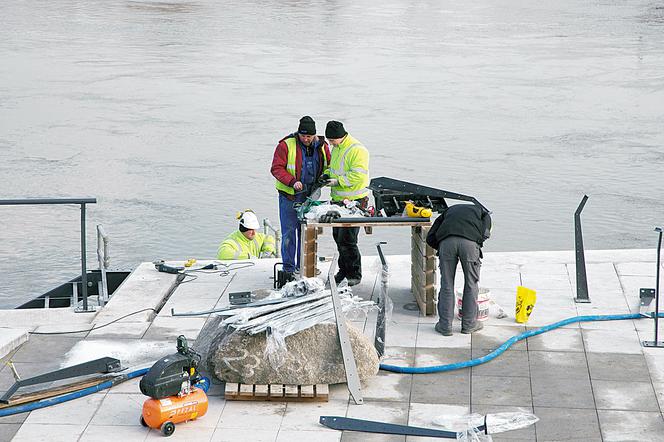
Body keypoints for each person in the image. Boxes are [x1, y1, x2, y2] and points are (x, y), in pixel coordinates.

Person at [270, 116, 331, 279]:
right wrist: (292, 181)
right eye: (303, 136)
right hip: (289, 196)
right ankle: (289, 269)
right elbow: (276, 168)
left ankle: (303, 266)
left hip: (310, 197)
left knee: (307, 232)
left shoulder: (323, 146)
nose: (306, 139)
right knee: (289, 233)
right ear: (298, 133)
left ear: (314, 135)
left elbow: (330, 167)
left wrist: (324, 178)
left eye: (309, 136)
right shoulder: (285, 145)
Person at [426, 204, 492, 335]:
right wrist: (477, 241)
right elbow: (486, 231)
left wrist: (441, 245)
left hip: (447, 243)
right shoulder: (483, 213)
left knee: (447, 285)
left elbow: (431, 236)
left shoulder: (448, 212)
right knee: (471, 284)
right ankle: (469, 325)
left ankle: (445, 326)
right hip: (469, 243)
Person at [323, 120, 370, 286]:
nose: (330, 143)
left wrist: (337, 182)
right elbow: (334, 168)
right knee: (338, 237)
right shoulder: (337, 148)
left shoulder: (357, 150)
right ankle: (344, 270)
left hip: (355, 200)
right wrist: (326, 174)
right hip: (338, 201)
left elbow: (358, 176)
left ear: (340, 137)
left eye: (332, 140)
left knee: (348, 239)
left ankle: (354, 274)